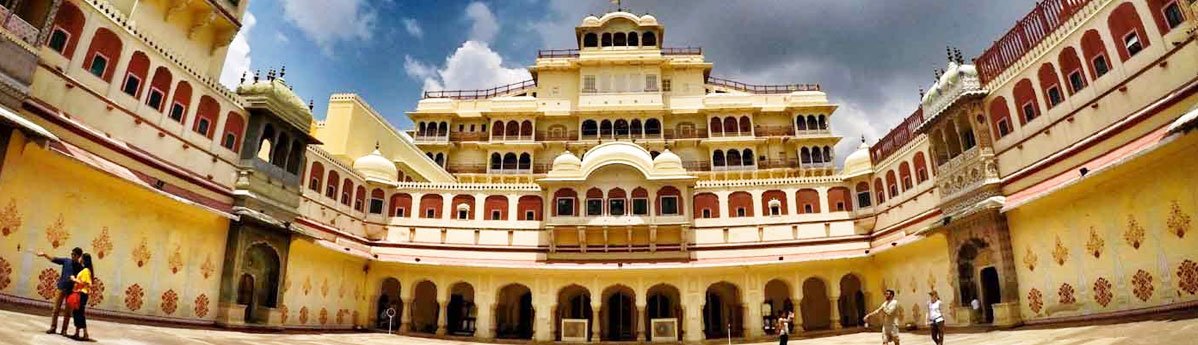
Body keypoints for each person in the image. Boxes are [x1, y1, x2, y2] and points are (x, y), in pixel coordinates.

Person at [36, 247, 82, 335]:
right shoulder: (66, 261)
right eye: (72, 254)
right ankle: (53, 328)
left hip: (71, 291)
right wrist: (44, 254)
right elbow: (54, 259)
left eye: (74, 255)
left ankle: (64, 330)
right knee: (55, 309)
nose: (72, 256)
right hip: (61, 288)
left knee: (67, 312)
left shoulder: (80, 267)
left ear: (78, 256)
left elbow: (83, 278)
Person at [68, 253, 94, 341]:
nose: (80, 259)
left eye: (81, 257)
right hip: (80, 293)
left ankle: (85, 333)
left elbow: (86, 283)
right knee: (77, 313)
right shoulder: (85, 270)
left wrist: (74, 279)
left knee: (79, 313)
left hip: (82, 294)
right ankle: (77, 333)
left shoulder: (86, 270)